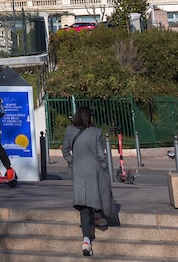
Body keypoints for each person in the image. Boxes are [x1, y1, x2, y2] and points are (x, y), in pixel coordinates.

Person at [62, 106, 113, 257]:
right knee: (97, 193)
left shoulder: (70, 130)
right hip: (94, 169)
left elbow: (65, 150)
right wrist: (104, 169)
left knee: (84, 204)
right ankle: (98, 216)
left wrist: (72, 162)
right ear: (89, 117)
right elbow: (101, 155)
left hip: (78, 170)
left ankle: (86, 241)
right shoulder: (96, 132)